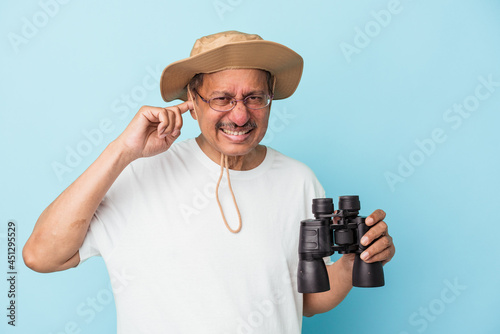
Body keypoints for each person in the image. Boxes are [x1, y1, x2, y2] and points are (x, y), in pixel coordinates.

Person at [23, 31, 395, 333]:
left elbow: (304, 302)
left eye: (255, 97)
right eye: (222, 98)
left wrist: (353, 261)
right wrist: (122, 151)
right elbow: (40, 256)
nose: (240, 113)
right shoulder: (138, 172)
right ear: (192, 100)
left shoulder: (299, 180)